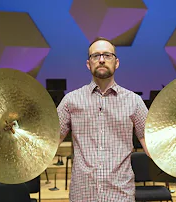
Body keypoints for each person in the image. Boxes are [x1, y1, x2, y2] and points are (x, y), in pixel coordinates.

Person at [57, 37, 150, 202]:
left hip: (120, 193)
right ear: (88, 64)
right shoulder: (71, 100)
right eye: (95, 56)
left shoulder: (134, 101)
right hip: (83, 193)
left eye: (107, 55)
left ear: (117, 62)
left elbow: (151, 145)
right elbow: (49, 140)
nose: (101, 60)